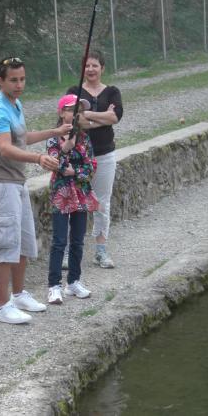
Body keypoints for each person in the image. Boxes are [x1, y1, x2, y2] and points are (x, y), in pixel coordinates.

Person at [0, 56, 72, 324]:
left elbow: (22, 137)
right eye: (13, 80)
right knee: (5, 244)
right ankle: (2, 305)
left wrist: (55, 131)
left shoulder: (15, 103)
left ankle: (18, 295)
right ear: (0, 81)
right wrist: (38, 159)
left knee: (22, 240)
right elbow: (6, 148)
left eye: (22, 79)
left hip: (16, 181)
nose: (19, 84)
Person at [67, 50, 123, 269]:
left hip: (104, 154)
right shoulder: (74, 92)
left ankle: (100, 250)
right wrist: (101, 118)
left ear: (102, 68)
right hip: (79, 155)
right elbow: (74, 119)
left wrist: (89, 116)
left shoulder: (112, 91)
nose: (90, 70)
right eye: (87, 66)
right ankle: (70, 251)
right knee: (74, 201)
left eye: (95, 65)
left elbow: (116, 117)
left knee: (102, 203)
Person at [47, 94, 99, 305]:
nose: (75, 114)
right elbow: (52, 163)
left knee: (77, 240)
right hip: (61, 195)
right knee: (60, 241)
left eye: (79, 110)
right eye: (71, 109)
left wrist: (73, 171)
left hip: (81, 194)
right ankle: (54, 286)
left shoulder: (84, 138)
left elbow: (91, 166)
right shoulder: (53, 138)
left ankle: (74, 281)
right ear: (61, 113)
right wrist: (65, 149)